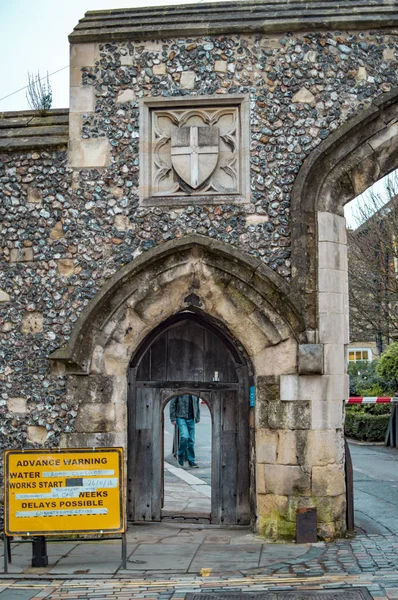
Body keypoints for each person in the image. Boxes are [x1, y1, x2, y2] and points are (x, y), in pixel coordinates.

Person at [169, 394, 200, 468]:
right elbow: (172, 404)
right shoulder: (180, 391)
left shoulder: (195, 393)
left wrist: (197, 417)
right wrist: (172, 418)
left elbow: (197, 405)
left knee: (191, 440)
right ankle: (180, 454)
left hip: (191, 418)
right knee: (185, 436)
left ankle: (191, 460)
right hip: (181, 417)